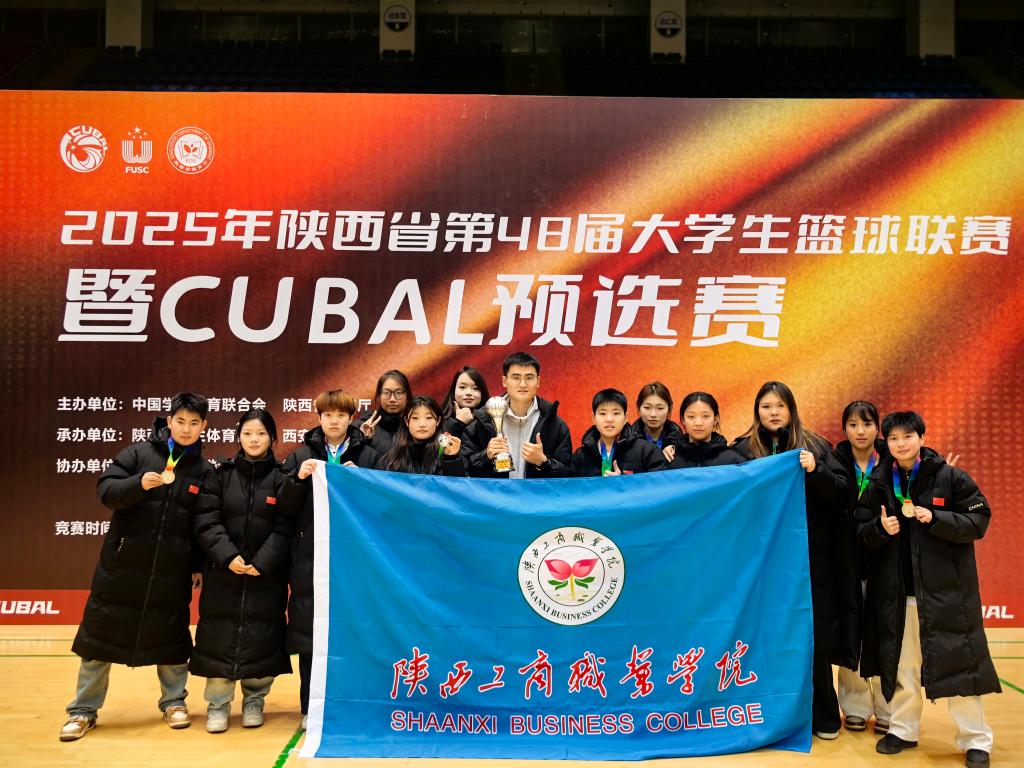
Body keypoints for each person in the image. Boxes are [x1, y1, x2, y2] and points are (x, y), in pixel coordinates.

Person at [61, 393, 212, 741]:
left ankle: (173, 702)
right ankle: (83, 710)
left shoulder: (203, 471)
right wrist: (137, 485)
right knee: (98, 638)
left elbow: (201, 523)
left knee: (172, 638)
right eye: (180, 421)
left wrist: (196, 564)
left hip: (171, 571)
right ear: (169, 421)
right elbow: (106, 490)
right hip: (122, 566)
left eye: (194, 423)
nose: (186, 429)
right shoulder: (138, 453)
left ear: (204, 426)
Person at [856, 412, 998, 768]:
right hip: (897, 595)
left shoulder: (949, 477)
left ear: (921, 438)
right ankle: (903, 730)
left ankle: (975, 739)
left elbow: (978, 520)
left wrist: (936, 518)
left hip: (946, 595)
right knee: (902, 668)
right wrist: (880, 528)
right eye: (893, 438)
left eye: (908, 436)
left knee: (960, 666)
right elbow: (860, 531)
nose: (901, 443)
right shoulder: (879, 483)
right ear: (886, 443)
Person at [732, 381, 855, 741]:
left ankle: (824, 714)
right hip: (762, 562)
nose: (773, 413)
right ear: (757, 411)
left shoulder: (815, 445)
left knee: (811, 635)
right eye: (766, 406)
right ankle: (769, 714)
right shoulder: (742, 449)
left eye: (780, 406)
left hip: (808, 561)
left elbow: (843, 493)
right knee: (765, 635)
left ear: (791, 409)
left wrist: (816, 471)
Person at [191, 409, 297, 733]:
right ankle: (218, 704)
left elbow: (286, 527)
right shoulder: (220, 476)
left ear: (272, 438)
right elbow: (207, 521)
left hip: (266, 576)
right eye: (248, 433)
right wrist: (228, 556)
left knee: (261, 637)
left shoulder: (282, 478)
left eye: (261, 434)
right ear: (238, 437)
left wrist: (263, 562)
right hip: (224, 574)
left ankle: (255, 700)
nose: (254, 440)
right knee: (218, 636)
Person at [282, 389, 379, 730]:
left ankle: (353, 702)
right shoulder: (300, 456)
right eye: (328, 414)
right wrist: (298, 479)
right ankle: (310, 707)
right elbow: (282, 505)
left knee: (354, 631)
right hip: (310, 556)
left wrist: (361, 482)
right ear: (319, 418)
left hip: (354, 557)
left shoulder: (369, 455)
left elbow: (381, 506)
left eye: (340, 414)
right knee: (311, 633)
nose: (334, 420)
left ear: (351, 417)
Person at [832, 400, 891, 736]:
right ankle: (854, 706)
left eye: (867, 424)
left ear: (877, 428)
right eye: (853, 424)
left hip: (884, 556)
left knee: (884, 633)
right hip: (847, 558)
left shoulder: (892, 461)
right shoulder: (834, 459)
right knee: (851, 630)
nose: (860, 431)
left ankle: (887, 708)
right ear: (844, 429)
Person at [460, 352, 572, 479]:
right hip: (495, 492)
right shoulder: (484, 421)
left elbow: (567, 476)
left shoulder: (556, 425)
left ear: (538, 381)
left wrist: (544, 462)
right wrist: (486, 456)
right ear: (504, 381)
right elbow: (464, 470)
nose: (523, 384)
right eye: (516, 377)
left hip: (536, 492)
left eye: (529, 378)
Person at [570, 388, 667, 476]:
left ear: (625, 418)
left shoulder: (647, 451)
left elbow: (659, 486)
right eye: (602, 413)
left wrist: (621, 482)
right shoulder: (580, 456)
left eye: (616, 413)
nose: (609, 419)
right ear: (593, 418)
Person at [375, 396, 467, 476]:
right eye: (415, 418)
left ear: (438, 421)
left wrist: (451, 459)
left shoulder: (450, 453)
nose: (422, 424)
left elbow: (458, 487)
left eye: (429, 417)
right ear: (407, 421)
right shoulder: (390, 460)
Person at [668, 391, 746, 469]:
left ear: (715, 419)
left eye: (705, 416)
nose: (698, 423)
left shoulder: (732, 460)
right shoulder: (670, 457)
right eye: (691, 416)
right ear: (683, 420)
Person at [354, 370, 412, 455]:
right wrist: (364, 439)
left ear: (407, 397)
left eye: (399, 393)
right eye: (386, 393)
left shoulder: (416, 426)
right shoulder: (363, 426)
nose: (392, 399)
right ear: (379, 396)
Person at [632, 382, 683, 463]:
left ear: (669, 409)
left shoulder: (678, 435)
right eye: (647, 407)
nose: (653, 414)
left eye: (660, 408)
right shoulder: (629, 438)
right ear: (639, 408)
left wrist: (675, 449)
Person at [440, 366, 490, 438]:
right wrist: (458, 423)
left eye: (475, 388)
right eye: (462, 387)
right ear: (454, 391)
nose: (468, 393)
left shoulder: (492, 421)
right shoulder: (439, 420)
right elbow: (440, 445)